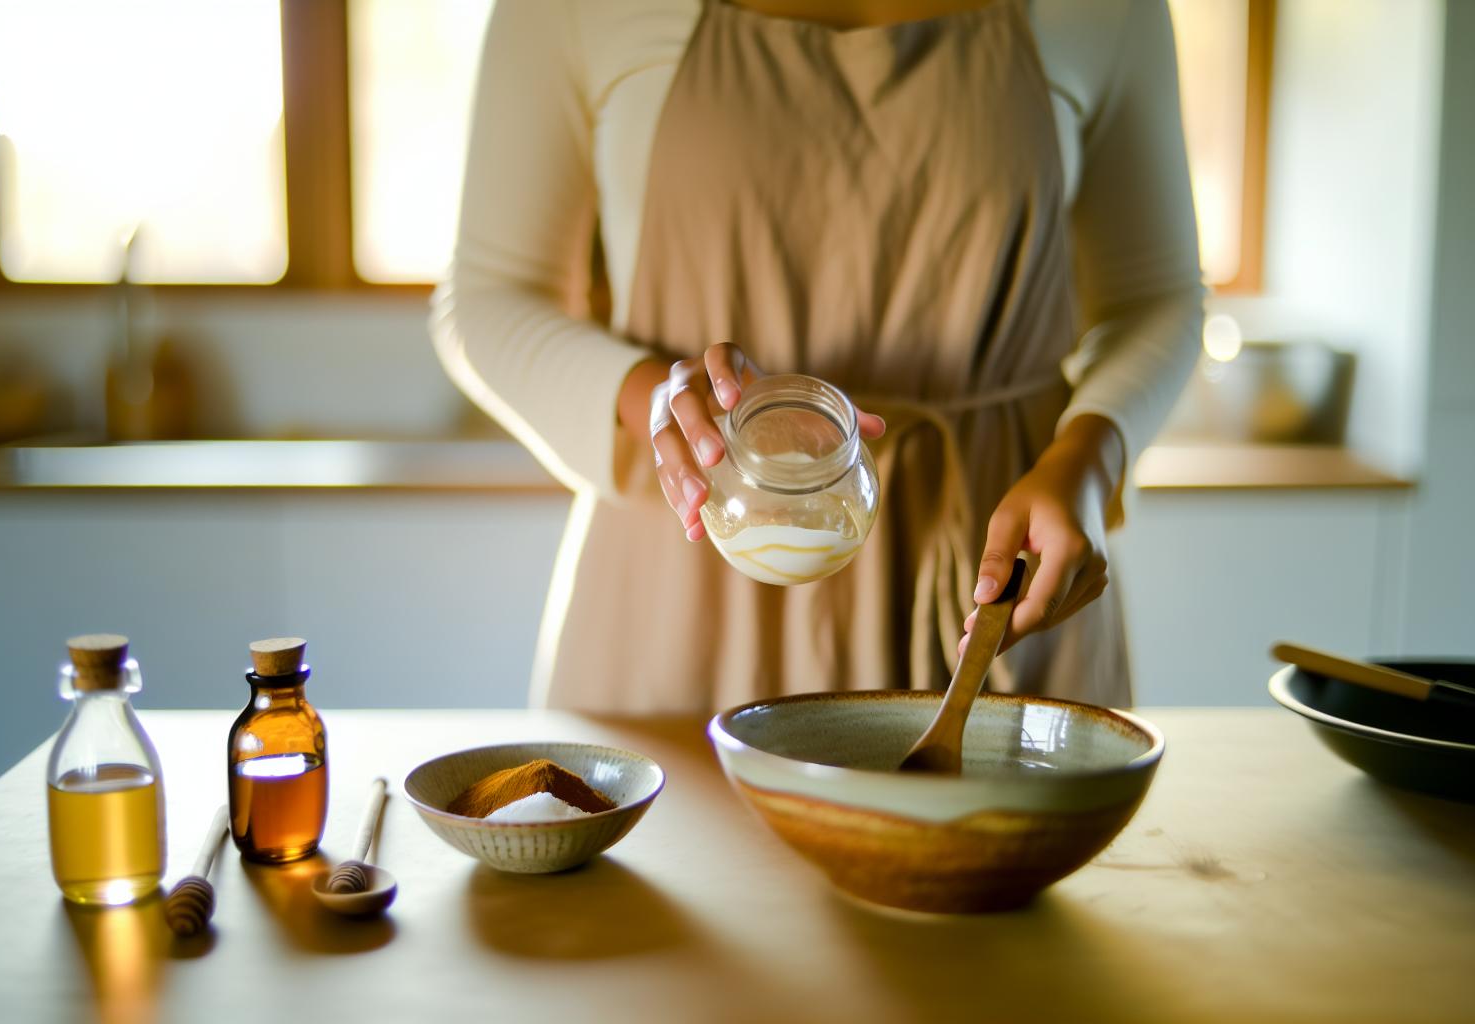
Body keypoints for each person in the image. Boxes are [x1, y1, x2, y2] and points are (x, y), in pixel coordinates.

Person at [431, 0, 1202, 714]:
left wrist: (1091, 457)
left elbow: (1157, 295)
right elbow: (490, 295)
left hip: (999, 581)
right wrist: (654, 400)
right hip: (692, 569)